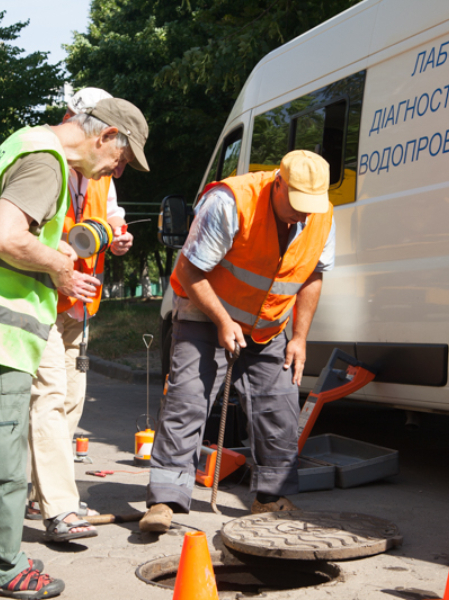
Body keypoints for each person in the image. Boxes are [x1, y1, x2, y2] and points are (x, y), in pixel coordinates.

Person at [0, 97, 149, 596]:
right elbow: (5, 237)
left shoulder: (30, 144)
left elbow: (8, 235)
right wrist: (59, 265)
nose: (118, 169)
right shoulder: (46, 162)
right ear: (106, 135)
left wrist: (51, 254)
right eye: (122, 158)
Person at [139, 150, 335, 533]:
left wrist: (299, 336)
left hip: (268, 324)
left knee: (277, 407)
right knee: (188, 401)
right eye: (296, 205)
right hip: (205, 310)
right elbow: (189, 270)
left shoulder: (323, 214)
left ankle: (269, 498)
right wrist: (224, 321)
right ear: (277, 182)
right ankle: (165, 499)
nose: (302, 215)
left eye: (309, 207)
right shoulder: (229, 202)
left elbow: (312, 275)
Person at [25, 87, 137, 542]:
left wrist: (120, 236)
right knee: (49, 395)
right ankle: (60, 508)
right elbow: (23, 232)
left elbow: (111, 220)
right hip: (44, 299)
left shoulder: (103, 174)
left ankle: (43, 493)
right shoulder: (47, 163)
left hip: (81, 302)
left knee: (71, 398)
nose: (118, 165)